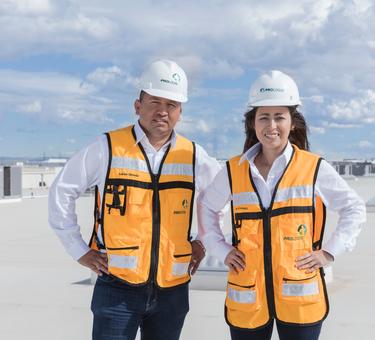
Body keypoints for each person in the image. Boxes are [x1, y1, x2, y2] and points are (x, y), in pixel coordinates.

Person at [49, 59, 221, 340]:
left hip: (173, 290)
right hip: (117, 288)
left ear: (180, 112)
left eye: (172, 105)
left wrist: (203, 240)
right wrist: (78, 249)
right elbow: (61, 191)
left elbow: (218, 199)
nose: (162, 112)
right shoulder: (107, 148)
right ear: (138, 106)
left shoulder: (193, 155)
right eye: (154, 102)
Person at [197, 70, 366, 340]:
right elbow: (206, 206)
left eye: (280, 117)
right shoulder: (233, 171)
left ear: (293, 123)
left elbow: (354, 208)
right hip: (248, 295)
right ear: (253, 123)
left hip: (299, 297)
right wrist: (221, 249)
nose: (271, 125)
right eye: (264, 117)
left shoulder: (313, 168)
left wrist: (328, 253)